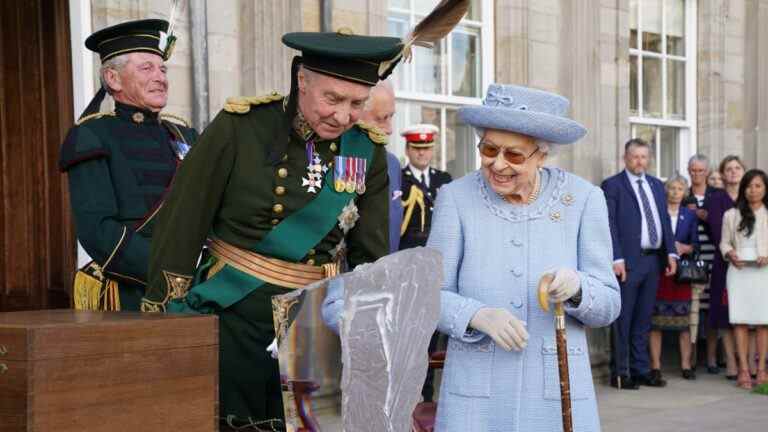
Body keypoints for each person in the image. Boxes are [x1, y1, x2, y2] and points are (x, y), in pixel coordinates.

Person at [142, 31, 410, 430]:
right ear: (302, 79)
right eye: (332, 99)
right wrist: (169, 320)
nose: (343, 116)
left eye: (358, 103)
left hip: (317, 323)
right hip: (232, 315)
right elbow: (182, 226)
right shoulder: (241, 127)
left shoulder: (365, 151)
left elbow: (368, 258)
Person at [428, 84, 620, 431]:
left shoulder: (584, 200)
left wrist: (578, 288)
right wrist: (476, 314)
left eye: (514, 155)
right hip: (475, 395)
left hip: (554, 393)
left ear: (542, 155)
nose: (498, 164)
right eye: (488, 149)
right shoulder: (455, 198)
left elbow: (608, 303)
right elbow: (427, 295)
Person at [59, 19, 197, 312]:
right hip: (132, 290)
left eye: (163, 69)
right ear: (113, 79)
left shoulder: (185, 135)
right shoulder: (91, 136)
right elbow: (98, 231)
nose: (160, 77)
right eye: (146, 68)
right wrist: (171, 273)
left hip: (196, 288)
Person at [602, 138, 677, 389]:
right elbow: (608, 223)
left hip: (653, 262)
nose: (640, 162)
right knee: (624, 319)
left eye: (644, 157)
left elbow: (663, 221)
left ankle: (641, 369)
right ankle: (621, 373)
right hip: (628, 263)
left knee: (644, 320)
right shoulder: (613, 185)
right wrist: (616, 257)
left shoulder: (656, 185)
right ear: (625, 158)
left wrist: (671, 253)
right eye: (635, 157)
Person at [720, 169, 768, 389]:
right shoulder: (731, 214)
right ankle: (743, 371)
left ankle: (761, 370)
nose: (753, 190)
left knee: (763, 322)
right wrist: (730, 253)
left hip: (763, 272)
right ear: (743, 188)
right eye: (749, 186)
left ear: (765, 189)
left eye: (758, 185)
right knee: (739, 320)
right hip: (738, 271)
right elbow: (724, 243)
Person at [650, 175, 699, 380]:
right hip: (659, 272)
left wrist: (685, 247)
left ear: (685, 192)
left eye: (680, 189)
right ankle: (655, 366)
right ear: (665, 190)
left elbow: (696, 244)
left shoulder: (689, 215)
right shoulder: (656, 211)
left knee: (683, 323)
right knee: (655, 323)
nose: (675, 192)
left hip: (680, 275)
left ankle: (686, 365)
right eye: (672, 188)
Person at [705, 155, 746, 380]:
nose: (733, 172)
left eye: (737, 168)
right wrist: (733, 251)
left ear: (744, 170)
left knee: (748, 314)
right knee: (725, 314)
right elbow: (716, 230)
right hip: (724, 262)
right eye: (728, 169)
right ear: (722, 174)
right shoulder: (716, 199)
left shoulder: (752, 195)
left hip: (751, 264)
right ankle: (730, 361)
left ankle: (747, 363)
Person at [358, 80, 403, 253]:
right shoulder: (339, 159)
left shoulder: (392, 164)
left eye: (391, 116)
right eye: (381, 118)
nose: (390, 129)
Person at [399, 124, 452, 250]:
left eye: (427, 148)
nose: (422, 153)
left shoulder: (444, 179)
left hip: (438, 247)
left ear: (432, 150)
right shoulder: (398, 178)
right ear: (407, 150)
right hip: (407, 250)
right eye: (416, 148)